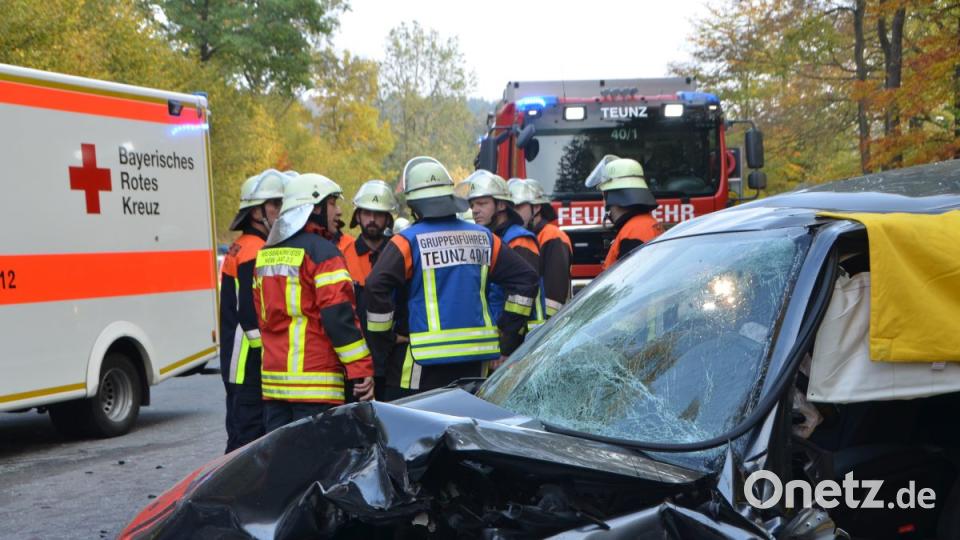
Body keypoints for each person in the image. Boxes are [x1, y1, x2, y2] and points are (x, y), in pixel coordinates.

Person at [364, 157, 539, 397]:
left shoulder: (407, 241)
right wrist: (507, 335)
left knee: (415, 432)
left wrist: (385, 339)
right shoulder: (484, 238)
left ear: (414, 205)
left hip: (420, 367)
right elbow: (526, 279)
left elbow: (375, 286)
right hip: (475, 365)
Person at [253, 173, 374, 432]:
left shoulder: (265, 254)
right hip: (315, 386)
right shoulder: (323, 253)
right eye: (332, 204)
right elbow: (338, 318)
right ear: (314, 207)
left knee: (283, 465)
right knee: (316, 466)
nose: (339, 211)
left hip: (275, 388)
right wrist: (361, 369)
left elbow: (262, 317)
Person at [219, 169, 286, 453]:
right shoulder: (255, 250)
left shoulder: (240, 246)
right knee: (245, 444)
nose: (280, 211)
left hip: (235, 362)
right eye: (275, 205)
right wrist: (271, 355)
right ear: (257, 212)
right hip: (249, 363)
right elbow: (249, 313)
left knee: (238, 435)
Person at [341, 180, 400, 400]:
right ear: (357, 216)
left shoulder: (400, 251)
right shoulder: (343, 254)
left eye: (378, 213)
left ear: (388, 218)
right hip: (355, 360)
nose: (372, 219)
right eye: (367, 213)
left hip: (393, 359)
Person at [465, 171, 545, 330]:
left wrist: (509, 337)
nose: (474, 210)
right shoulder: (491, 240)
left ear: (501, 205)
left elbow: (524, 293)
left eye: (482, 203)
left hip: (522, 339)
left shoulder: (519, 240)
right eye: (472, 204)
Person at [509, 177, 572, 319]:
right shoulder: (523, 237)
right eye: (511, 208)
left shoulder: (552, 237)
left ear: (536, 207)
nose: (513, 213)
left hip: (547, 328)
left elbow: (554, 298)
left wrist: (548, 328)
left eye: (518, 207)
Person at [585, 156, 662, 270]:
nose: (603, 202)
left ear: (612, 196)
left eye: (603, 196)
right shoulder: (645, 223)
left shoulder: (633, 234)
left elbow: (629, 284)